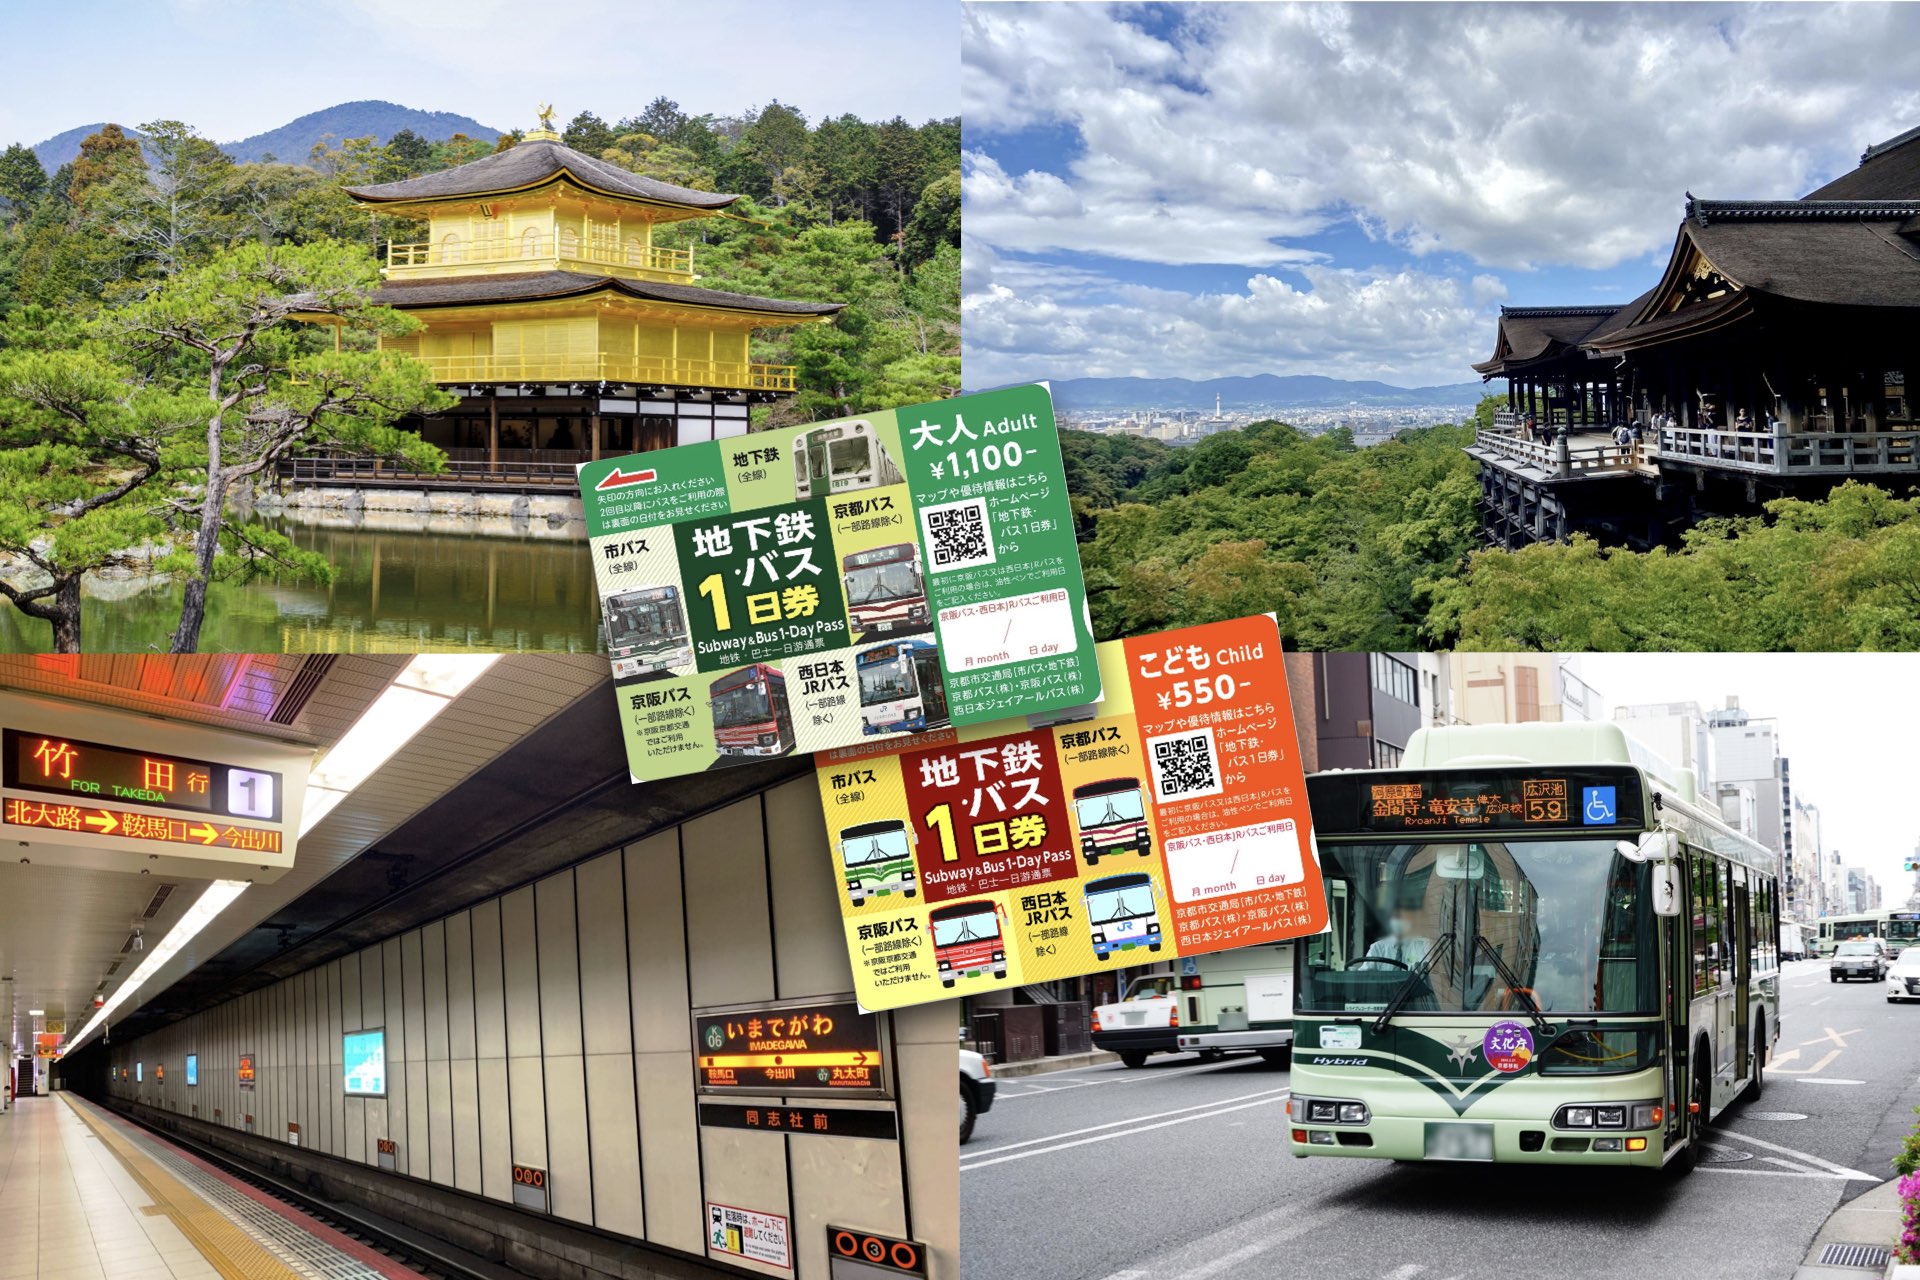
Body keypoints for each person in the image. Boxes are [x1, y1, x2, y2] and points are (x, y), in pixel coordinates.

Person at [1363, 907, 1433, 968]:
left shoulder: (1423, 945)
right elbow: (1364, 974)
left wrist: (1419, 967)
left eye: (1404, 917)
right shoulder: (1377, 948)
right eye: (1396, 917)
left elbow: (1427, 967)